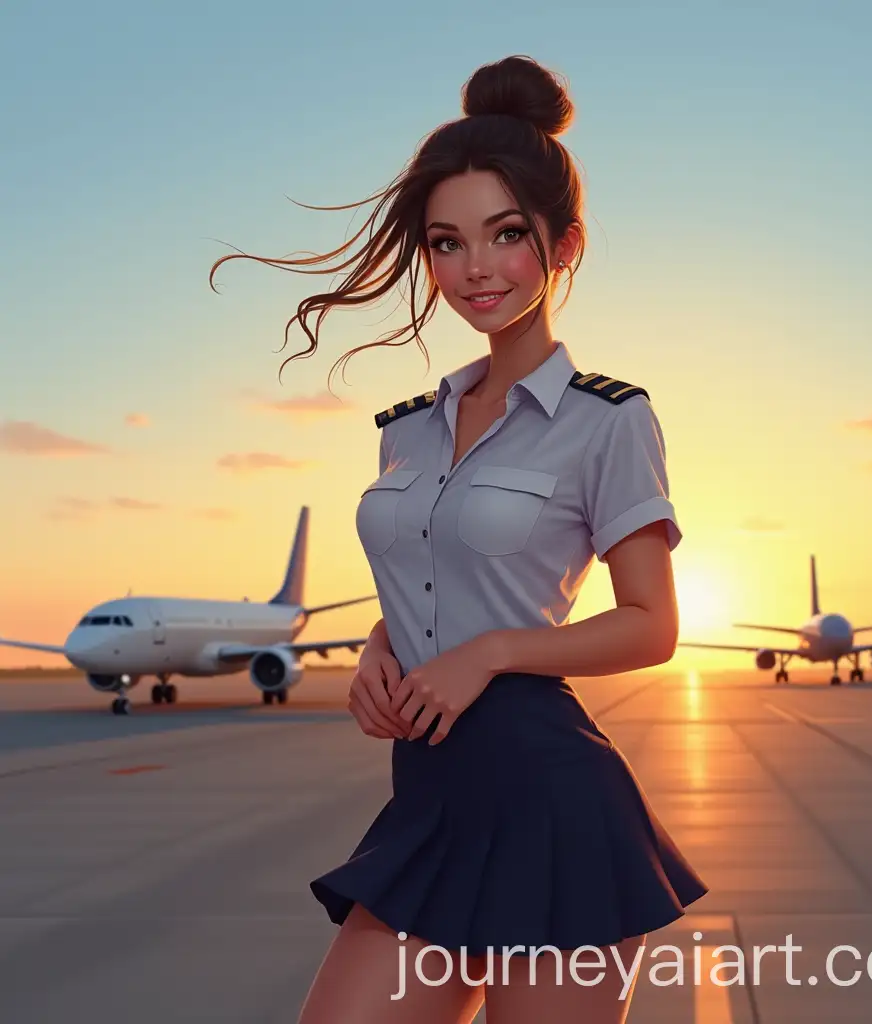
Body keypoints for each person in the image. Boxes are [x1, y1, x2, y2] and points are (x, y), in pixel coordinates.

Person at [211, 54, 707, 1024]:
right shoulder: (405, 428)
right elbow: (422, 581)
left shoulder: (609, 420)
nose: (473, 268)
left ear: (563, 246)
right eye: (446, 242)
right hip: (432, 798)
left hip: (551, 797)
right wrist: (376, 649)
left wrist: (491, 654)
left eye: (505, 235)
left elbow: (652, 626)